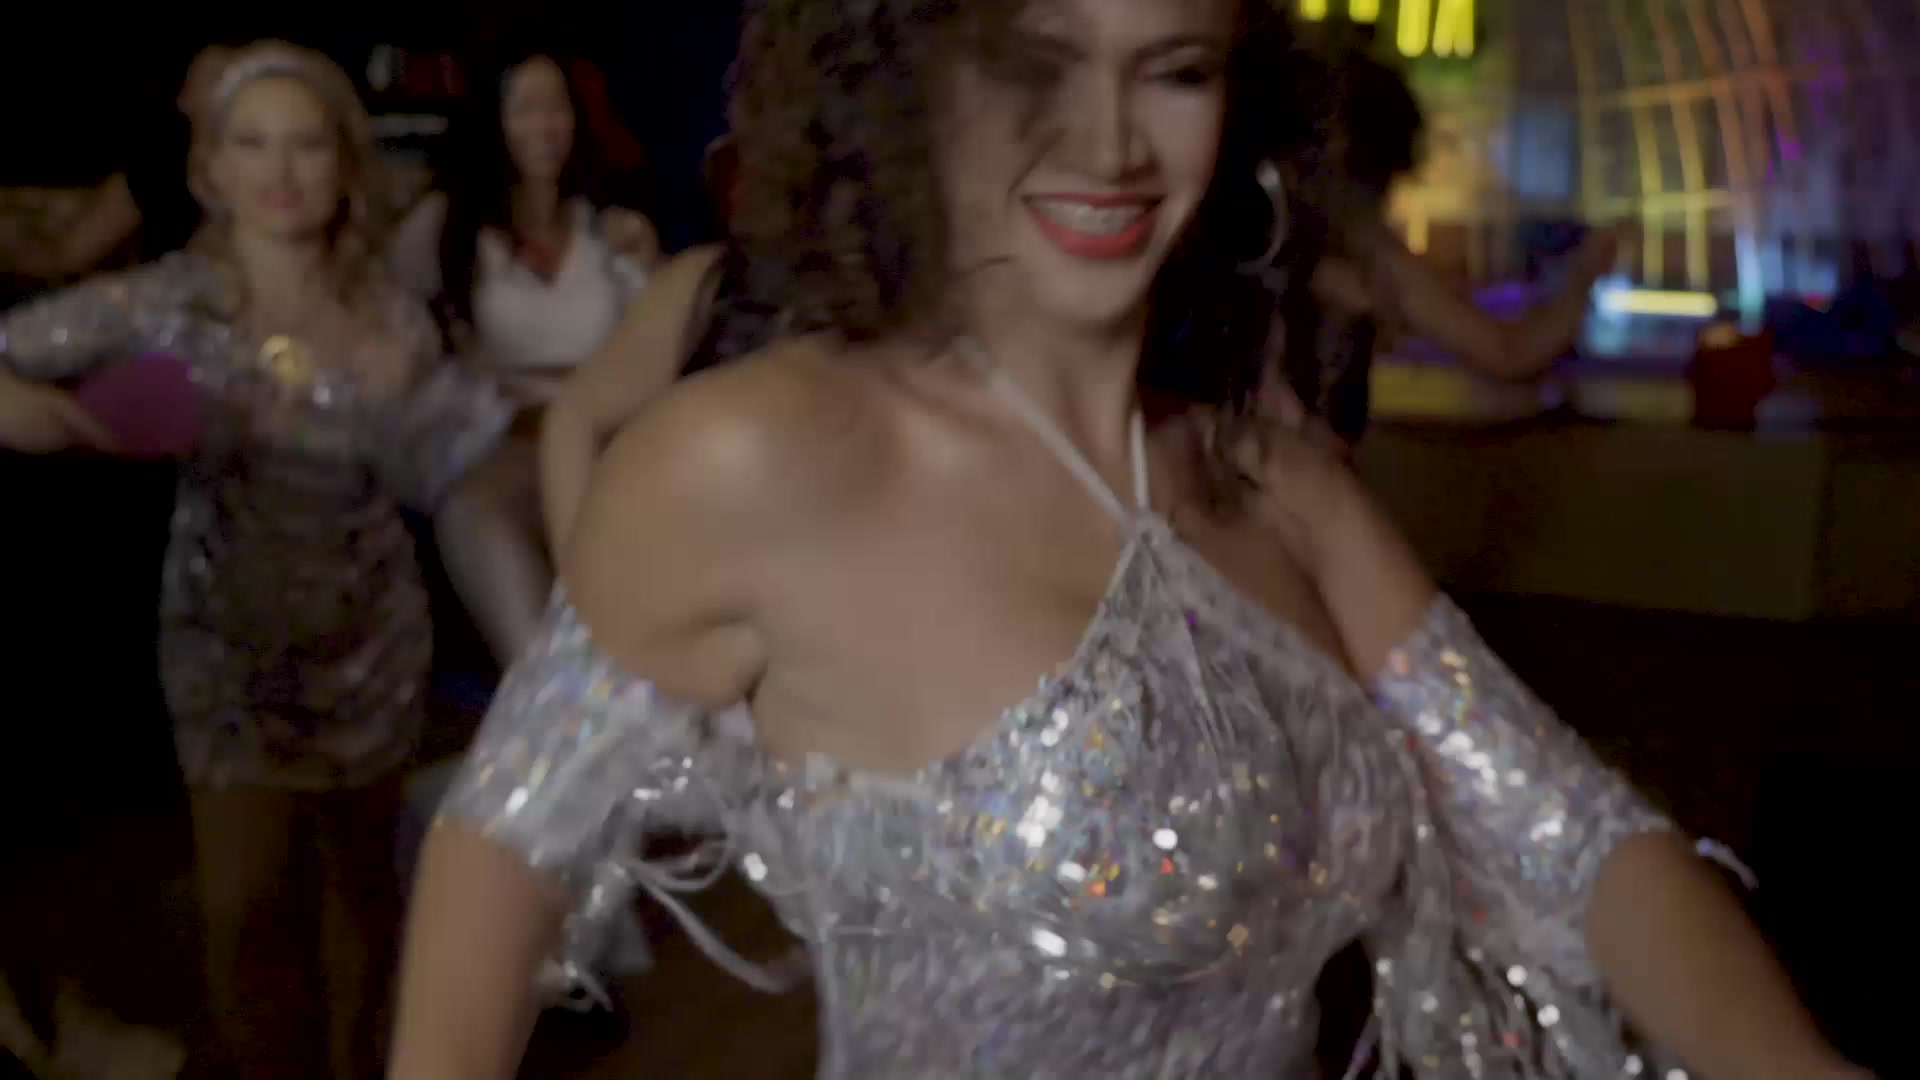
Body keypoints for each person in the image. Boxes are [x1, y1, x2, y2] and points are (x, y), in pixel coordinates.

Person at [391, 2, 1870, 1078]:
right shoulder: (754, 458)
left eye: (1172, 68)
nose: (1107, 142)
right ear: (911, 76)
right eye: (1034, 60)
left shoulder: (1267, 474)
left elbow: (1574, 840)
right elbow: (501, 844)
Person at [0, 41, 510, 1080]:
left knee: (364, 898)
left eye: (307, 145)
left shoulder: (393, 313)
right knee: (245, 908)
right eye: (254, 144)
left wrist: (420, 404)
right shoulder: (170, 299)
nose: (281, 171)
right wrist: (61, 421)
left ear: (344, 164)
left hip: (371, 639)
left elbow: (451, 474)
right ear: (213, 168)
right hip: (226, 643)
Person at [390, 41, 662, 668]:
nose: (544, 126)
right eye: (525, 109)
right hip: (507, 437)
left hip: (608, 434)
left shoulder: (607, 226)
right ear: (495, 121)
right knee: (473, 511)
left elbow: (658, 343)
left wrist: (648, 259)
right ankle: (545, 696)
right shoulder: (446, 225)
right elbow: (391, 324)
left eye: (556, 107)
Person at [1273, 36, 1621, 453]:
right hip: (1310, 477)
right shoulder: (1374, 264)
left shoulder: (1258, 248)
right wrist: (1584, 277)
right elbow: (1510, 353)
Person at [2, 45, 232, 283]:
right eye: (215, 80)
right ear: (184, 99)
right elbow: (67, 255)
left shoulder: (253, 176)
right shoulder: (155, 161)